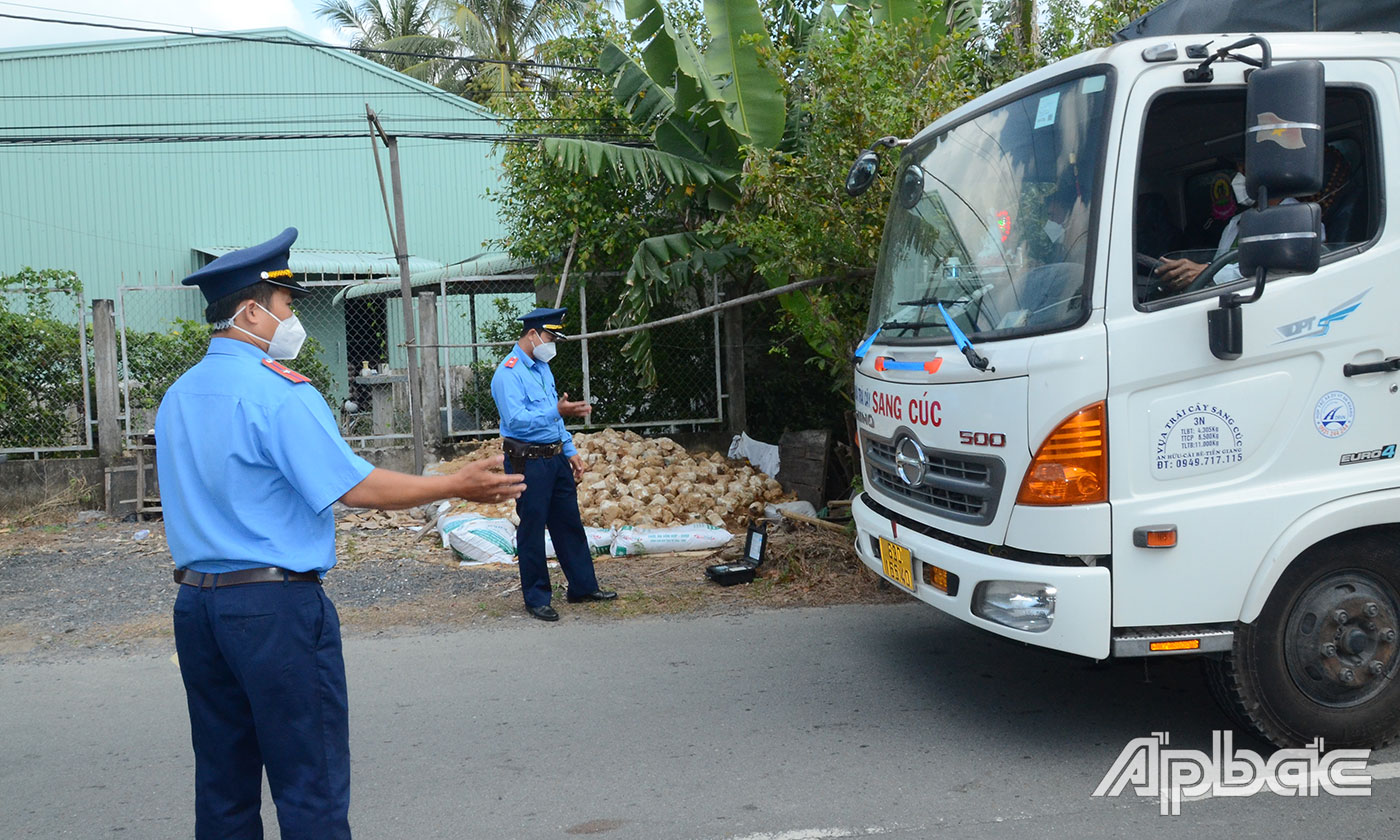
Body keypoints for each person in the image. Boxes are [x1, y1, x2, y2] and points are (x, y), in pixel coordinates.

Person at [156, 227, 525, 840]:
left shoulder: (179, 395)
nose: (291, 318)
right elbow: (355, 487)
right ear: (251, 310)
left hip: (197, 607)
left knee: (223, 786)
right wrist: (455, 484)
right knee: (311, 786)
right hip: (273, 609)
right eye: (286, 305)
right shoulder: (280, 395)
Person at [490, 307, 616, 621]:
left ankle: (583, 587)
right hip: (527, 463)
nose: (552, 343)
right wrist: (557, 413)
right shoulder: (508, 373)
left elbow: (553, 414)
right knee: (532, 529)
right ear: (532, 334)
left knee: (569, 523)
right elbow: (516, 422)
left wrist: (570, 449)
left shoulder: (543, 367)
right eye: (549, 336)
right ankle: (536, 597)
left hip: (556, 458)